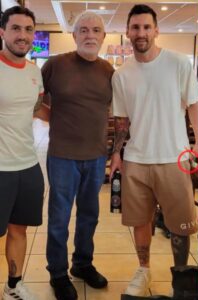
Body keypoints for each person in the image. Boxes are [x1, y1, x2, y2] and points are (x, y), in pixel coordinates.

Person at [110, 4, 198, 297]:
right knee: (139, 221)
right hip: (136, 160)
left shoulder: (178, 64)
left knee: (181, 226)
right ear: (128, 32)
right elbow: (122, 120)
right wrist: (116, 154)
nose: (141, 33)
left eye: (147, 27)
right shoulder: (121, 75)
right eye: (135, 27)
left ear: (156, 30)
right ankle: (144, 270)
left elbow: (193, 104)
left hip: (174, 157)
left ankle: (182, 280)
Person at [38, 11, 114, 300]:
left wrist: (114, 151)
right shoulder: (55, 65)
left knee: (89, 216)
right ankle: (58, 273)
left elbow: (113, 112)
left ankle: (82, 264)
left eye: (95, 30)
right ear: (74, 35)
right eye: (83, 29)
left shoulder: (108, 70)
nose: (89, 35)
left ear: (103, 37)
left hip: (96, 157)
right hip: (62, 156)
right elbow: (37, 101)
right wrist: (56, 119)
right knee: (59, 218)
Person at [0, 6, 44, 300]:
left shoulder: (33, 72)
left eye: (28, 30)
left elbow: (36, 108)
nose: (23, 35)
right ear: (2, 32)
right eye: (16, 28)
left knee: (19, 230)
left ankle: (13, 285)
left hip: (28, 166)